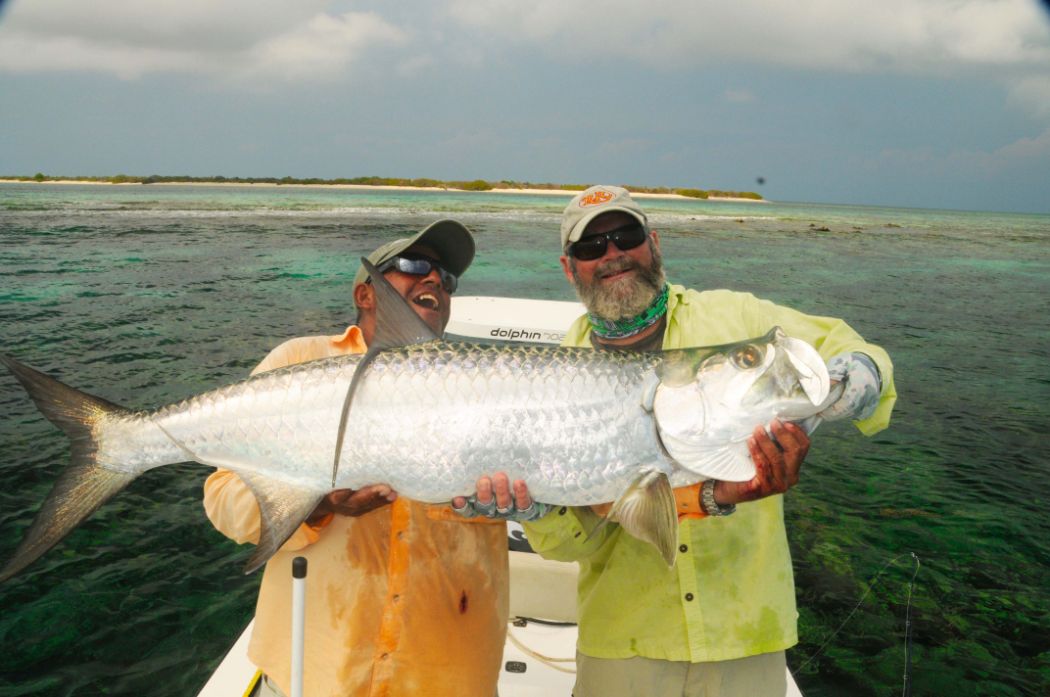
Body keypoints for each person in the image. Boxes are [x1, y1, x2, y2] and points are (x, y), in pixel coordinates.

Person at [505, 185, 896, 696]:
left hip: (746, 633)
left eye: (627, 235)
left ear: (654, 242)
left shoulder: (736, 319)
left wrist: (858, 379)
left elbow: (848, 346)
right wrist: (534, 510)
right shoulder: (551, 375)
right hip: (624, 642)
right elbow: (559, 544)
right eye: (591, 246)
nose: (613, 254)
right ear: (568, 266)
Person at [203, 220, 513, 697]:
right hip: (315, 676)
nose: (434, 280)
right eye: (413, 266)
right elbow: (223, 500)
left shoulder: (490, 386)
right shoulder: (299, 363)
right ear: (366, 295)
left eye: (446, 279)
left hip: (448, 679)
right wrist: (317, 504)